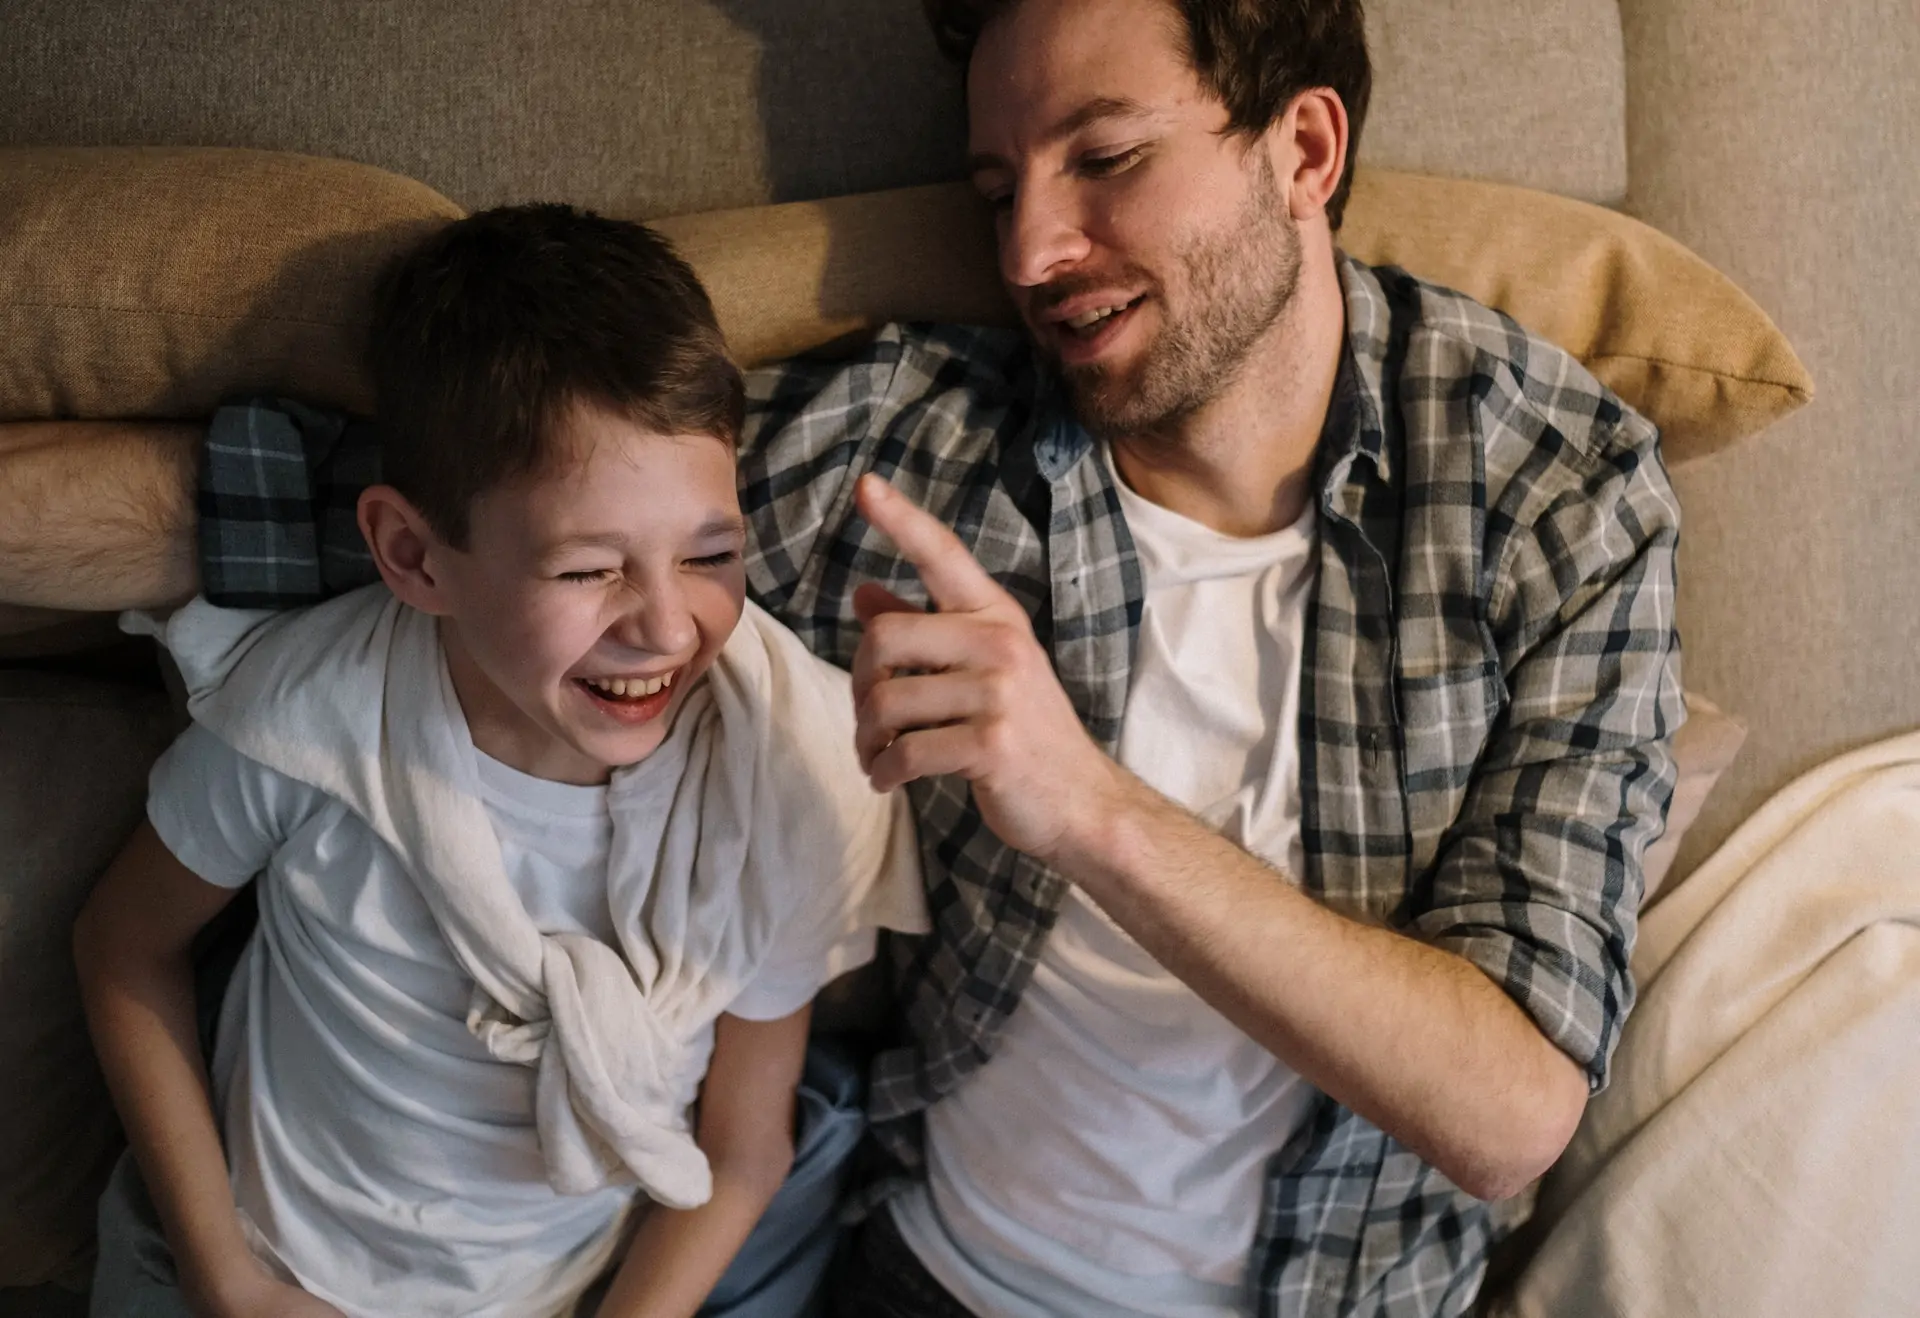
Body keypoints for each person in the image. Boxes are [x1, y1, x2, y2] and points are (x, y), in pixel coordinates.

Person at [0, 0, 1685, 1312]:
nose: (1028, 253)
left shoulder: (1555, 492)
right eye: (993, 187)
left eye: (1103, 160)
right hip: (930, 1272)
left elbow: (1512, 1104)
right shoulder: (914, 441)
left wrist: (1085, 805)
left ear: (1303, 147)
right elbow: (453, 504)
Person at [67, 204, 924, 1318]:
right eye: (586, 572)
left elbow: (746, 1145)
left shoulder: (796, 774)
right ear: (415, 555)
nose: (667, 627)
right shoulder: (315, 722)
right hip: (268, 1261)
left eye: (710, 554)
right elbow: (121, 948)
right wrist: (232, 1280)